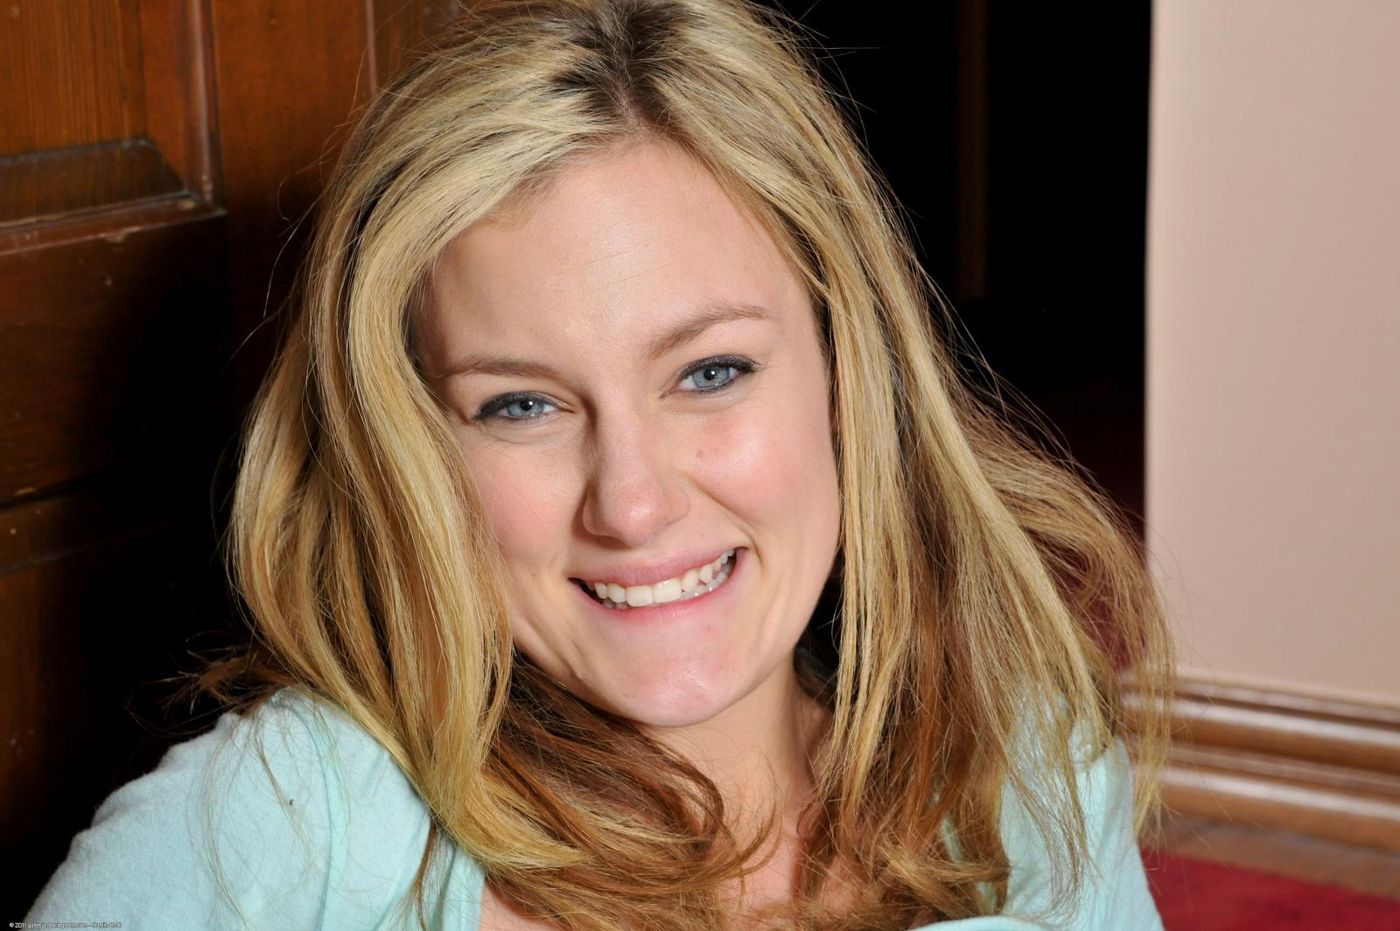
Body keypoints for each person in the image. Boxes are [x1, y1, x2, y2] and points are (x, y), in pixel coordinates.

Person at [26, 0, 1173, 928]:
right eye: (520, 404)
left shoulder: (1025, 768)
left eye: (709, 372)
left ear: (847, 373)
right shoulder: (289, 820)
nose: (631, 501)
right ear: (409, 452)